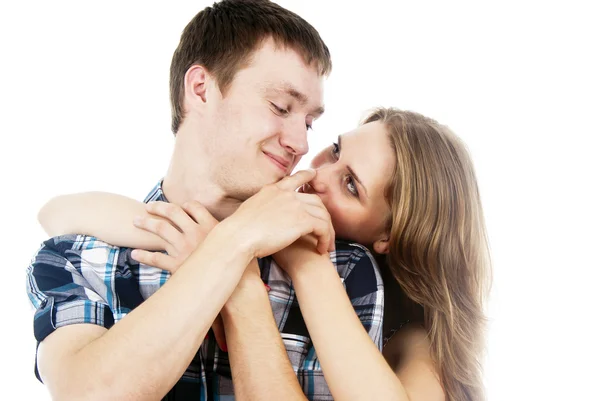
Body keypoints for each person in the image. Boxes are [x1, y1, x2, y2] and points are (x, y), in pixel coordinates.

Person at [39, 108, 492, 401]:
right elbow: (58, 214)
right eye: (334, 150)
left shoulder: (416, 340)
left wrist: (301, 263)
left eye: (350, 184)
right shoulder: (264, 233)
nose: (317, 175)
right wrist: (229, 240)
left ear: (390, 236)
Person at [25, 1, 356, 400]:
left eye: (308, 122)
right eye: (280, 107)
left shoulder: (340, 268)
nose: (300, 144)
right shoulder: (76, 256)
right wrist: (234, 241)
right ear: (200, 89)